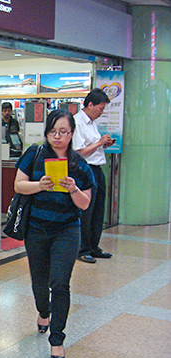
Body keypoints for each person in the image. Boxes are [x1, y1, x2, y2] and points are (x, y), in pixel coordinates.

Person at [14, 109, 95, 358]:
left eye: (63, 132)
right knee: (40, 281)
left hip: (67, 230)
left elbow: (85, 204)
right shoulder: (35, 154)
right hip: (36, 228)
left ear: (72, 134)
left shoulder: (80, 164)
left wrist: (73, 189)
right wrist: (40, 185)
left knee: (60, 283)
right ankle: (43, 311)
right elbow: (18, 185)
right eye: (52, 131)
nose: (57, 137)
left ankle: (57, 339)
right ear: (46, 131)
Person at [72, 88, 115, 264]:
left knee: (98, 210)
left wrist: (103, 144)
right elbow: (79, 152)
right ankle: (82, 249)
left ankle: (93, 246)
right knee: (86, 211)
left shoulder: (92, 122)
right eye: (101, 108)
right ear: (90, 104)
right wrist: (99, 143)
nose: (102, 112)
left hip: (97, 168)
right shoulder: (77, 122)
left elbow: (93, 147)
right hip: (85, 170)